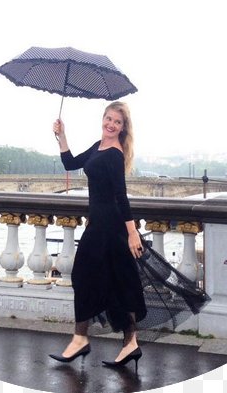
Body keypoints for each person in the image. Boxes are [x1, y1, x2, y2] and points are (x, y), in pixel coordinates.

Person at [48, 101, 147, 370]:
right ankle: (125, 341)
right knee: (108, 281)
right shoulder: (97, 146)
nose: (111, 124)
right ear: (102, 119)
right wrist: (62, 135)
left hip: (110, 226)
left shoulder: (114, 154)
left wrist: (132, 233)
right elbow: (70, 163)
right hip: (98, 225)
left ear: (123, 128)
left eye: (117, 122)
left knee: (88, 278)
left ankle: (85, 339)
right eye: (109, 118)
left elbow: (121, 196)